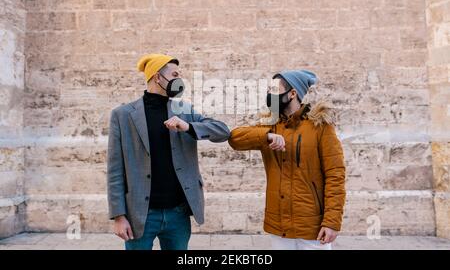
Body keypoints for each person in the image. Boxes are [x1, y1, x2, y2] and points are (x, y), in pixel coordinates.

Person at [107, 54, 230, 250]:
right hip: (140, 214)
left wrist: (188, 126)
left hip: (178, 214)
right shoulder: (122, 115)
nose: (179, 79)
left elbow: (223, 131)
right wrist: (118, 216)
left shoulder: (184, 110)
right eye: (174, 74)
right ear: (158, 77)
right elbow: (114, 170)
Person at [228, 70, 346, 250]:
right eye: (269, 89)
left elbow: (335, 175)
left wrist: (331, 221)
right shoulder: (270, 124)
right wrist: (267, 136)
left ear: (292, 93)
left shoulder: (320, 126)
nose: (269, 94)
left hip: (312, 226)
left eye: (274, 90)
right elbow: (235, 138)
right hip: (279, 224)